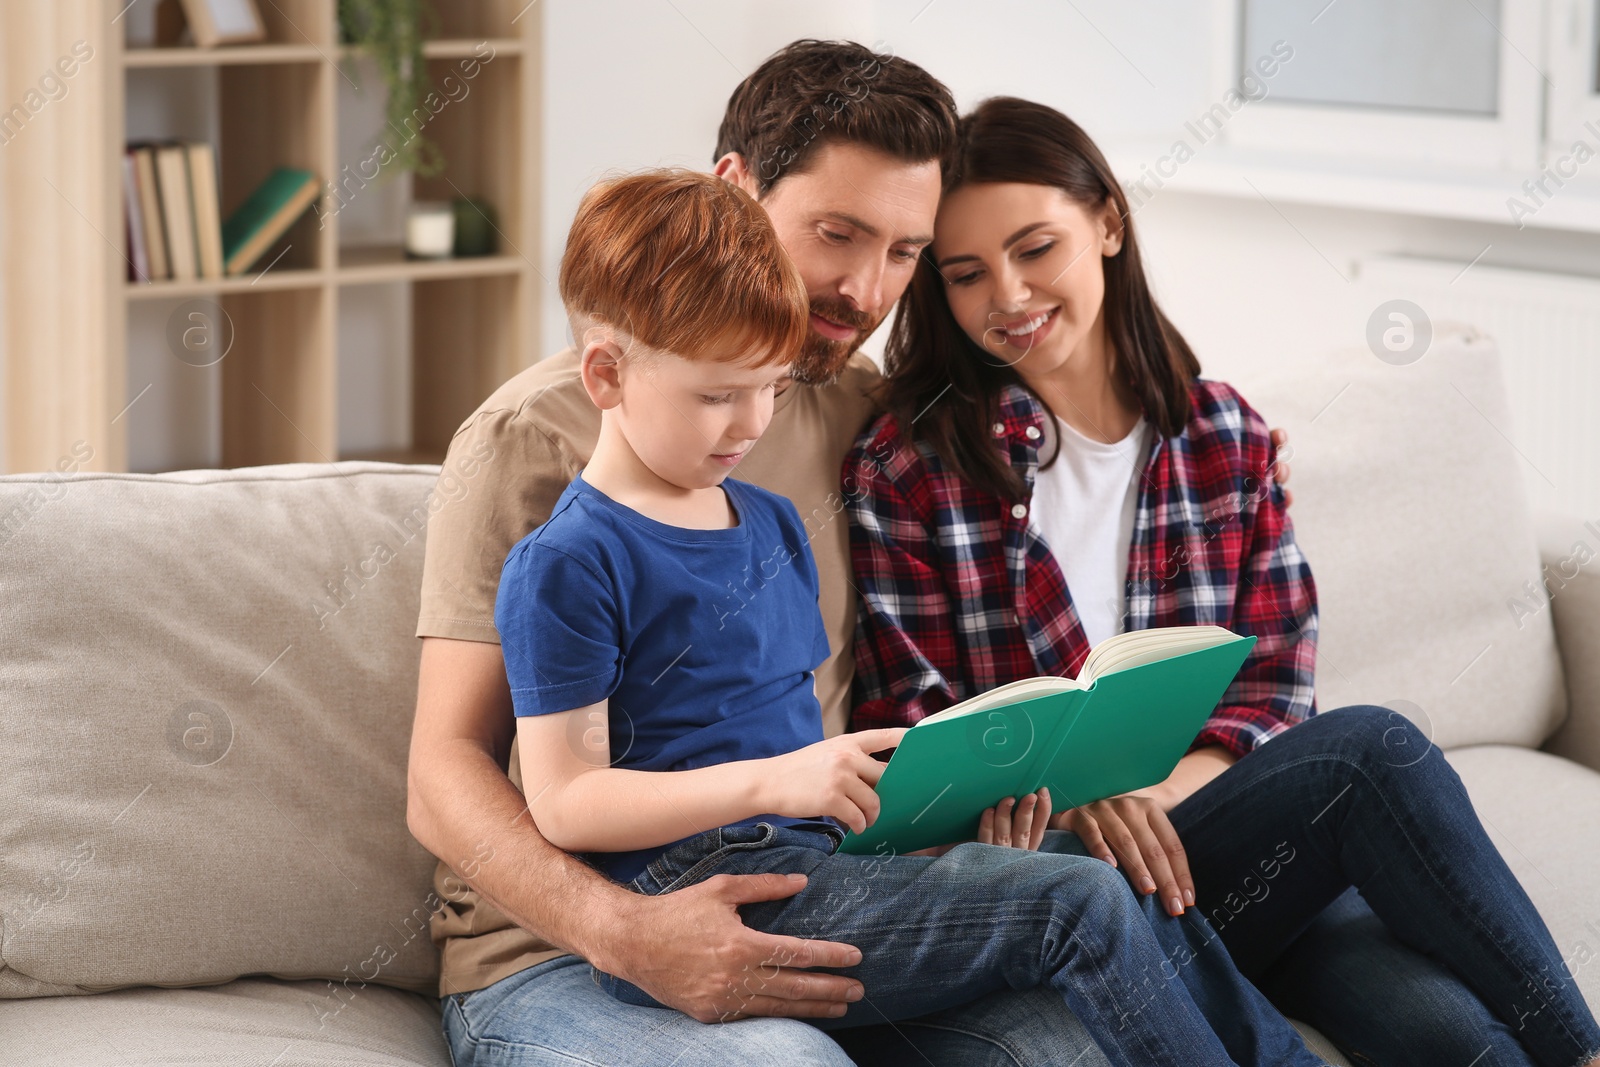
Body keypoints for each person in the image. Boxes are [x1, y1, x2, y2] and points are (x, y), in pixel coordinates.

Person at [405, 40, 1297, 1067]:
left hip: (815, 878)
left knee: (1073, 1046)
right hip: (559, 947)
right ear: (734, 189)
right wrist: (626, 934)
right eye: (837, 233)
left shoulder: (865, 412)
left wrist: (1230, 441)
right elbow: (443, 770)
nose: (864, 289)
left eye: (904, 251)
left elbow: (1069, 457)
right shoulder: (536, 436)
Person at [843, 94, 1600, 1067]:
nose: (1008, 294)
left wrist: (1151, 800)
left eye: (1037, 248)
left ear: (1107, 223)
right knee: (1372, 748)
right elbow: (916, 729)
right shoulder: (909, 469)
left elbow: (1276, 691)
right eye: (965, 273)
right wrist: (1074, 805)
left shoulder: (1223, 436)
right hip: (1067, 878)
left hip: (1234, 843)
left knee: (1450, 1033)